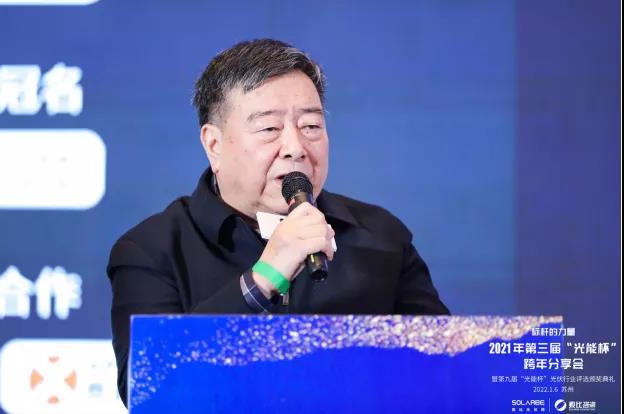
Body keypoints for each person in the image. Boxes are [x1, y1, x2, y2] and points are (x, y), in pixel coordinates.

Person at [107, 38, 449, 405]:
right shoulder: (151, 250)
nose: (295, 147)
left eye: (311, 126)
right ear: (214, 145)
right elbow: (150, 393)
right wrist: (264, 278)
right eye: (269, 128)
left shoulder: (380, 236)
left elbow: (450, 371)